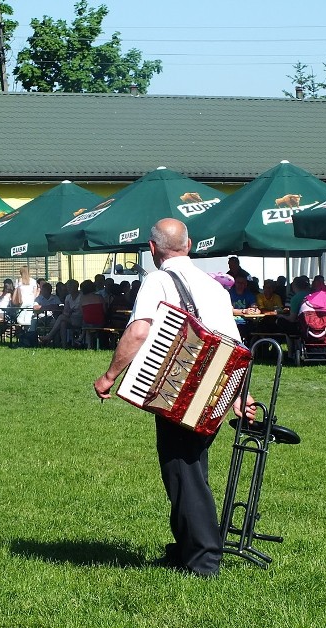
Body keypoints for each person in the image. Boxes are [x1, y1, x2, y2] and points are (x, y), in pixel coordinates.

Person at [93, 218, 254, 577]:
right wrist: (242, 396)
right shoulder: (215, 288)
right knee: (191, 470)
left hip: (179, 391)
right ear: (190, 244)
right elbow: (236, 347)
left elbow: (139, 330)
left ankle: (204, 561)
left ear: (152, 249)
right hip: (215, 391)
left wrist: (109, 376)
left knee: (183, 473)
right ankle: (185, 549)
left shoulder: (158, 279)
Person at [229, 273, 258, 343]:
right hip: (232, 322)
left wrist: (254, 311)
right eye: (238, 282)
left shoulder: (249, 294)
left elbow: (254, 307)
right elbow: (229, 310)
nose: (240, 285)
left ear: (246, 284)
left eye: (243, 283)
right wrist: (244, 311)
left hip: (246, 322)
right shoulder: (229, 294)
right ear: (235, 283)